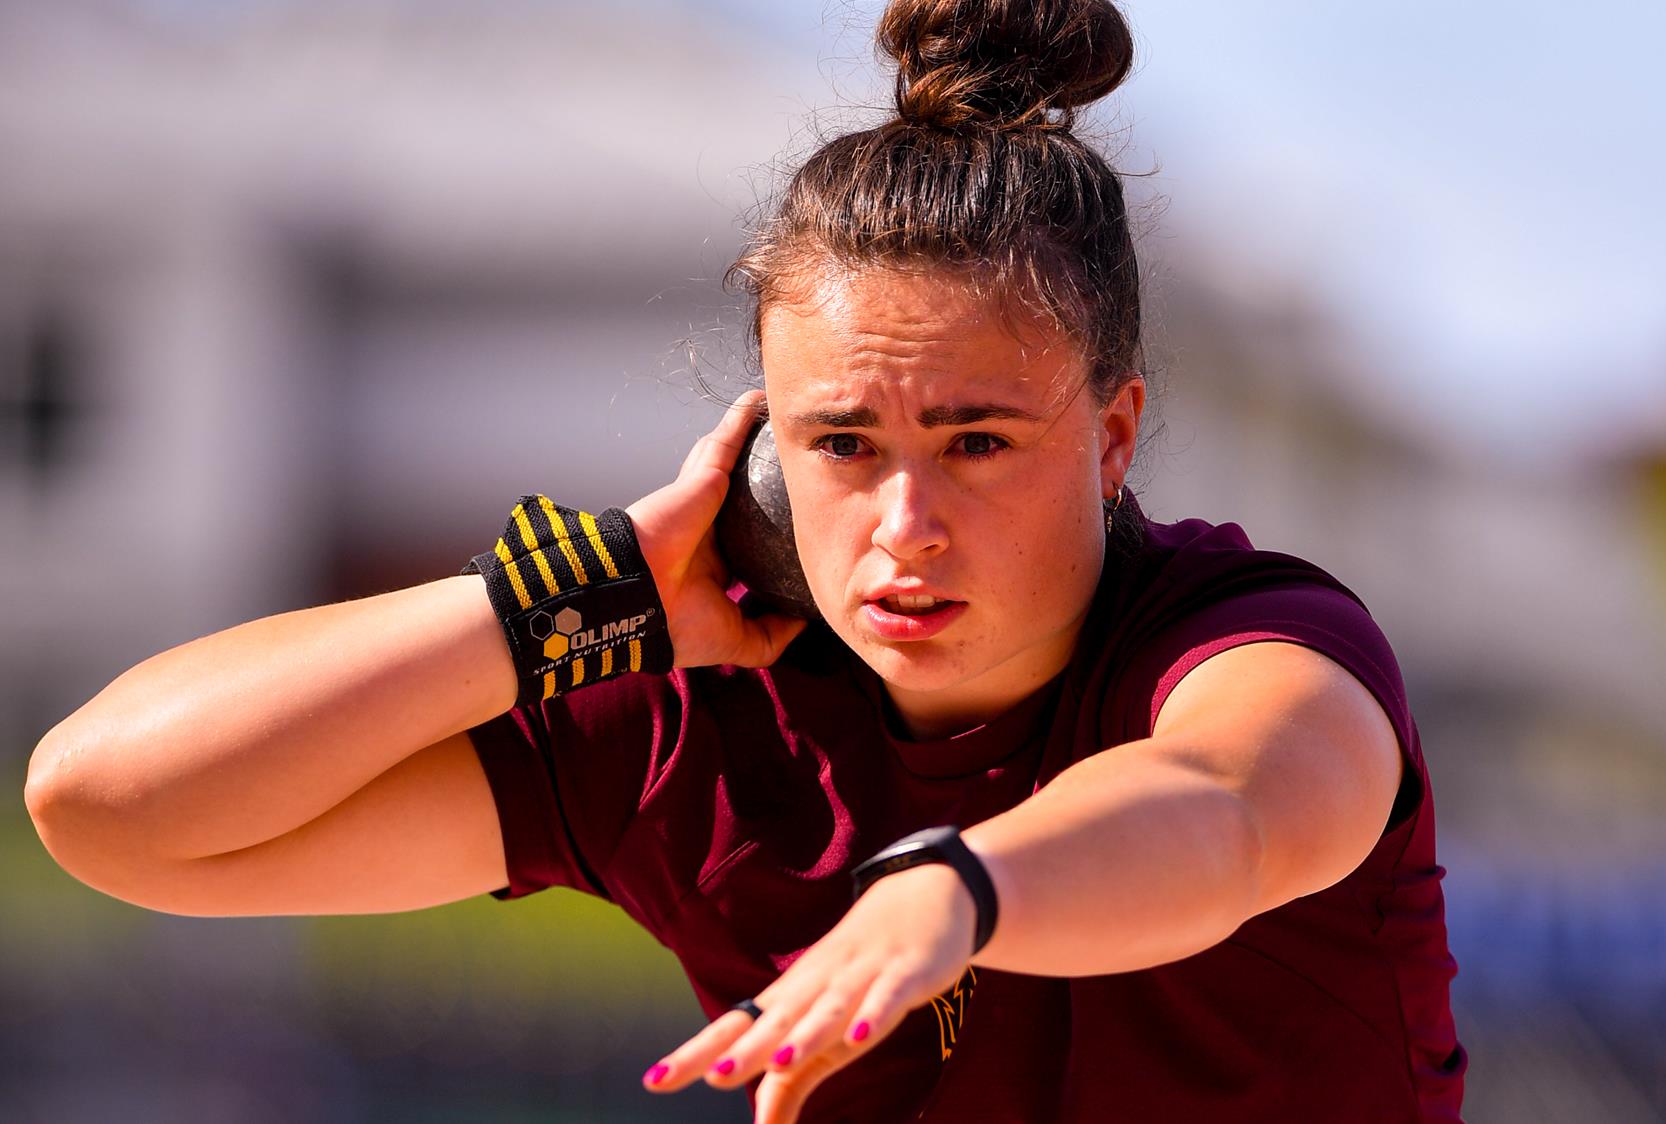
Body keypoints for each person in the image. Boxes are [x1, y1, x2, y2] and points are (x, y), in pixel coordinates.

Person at [23, 0, 1466, 1120]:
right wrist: (567, 607)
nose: (904, 524)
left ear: (1112, 437)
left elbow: (1224, 812)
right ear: (764, 455)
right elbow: (112, 812)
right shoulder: (696, 723)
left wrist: (955, 894)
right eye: (842, 444)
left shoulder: (1259, 645)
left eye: (977, 442)